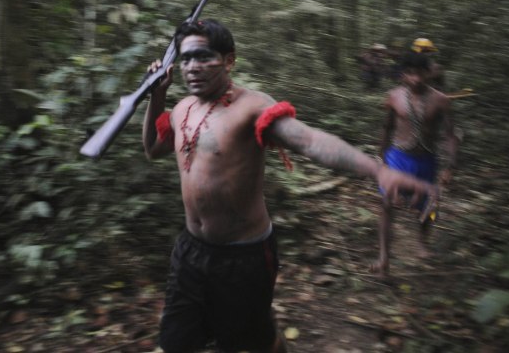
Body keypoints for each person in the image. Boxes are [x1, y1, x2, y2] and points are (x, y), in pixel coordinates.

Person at [142, 19, 435, 353]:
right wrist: (157, 94)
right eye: (185, 59)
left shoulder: (251, 107)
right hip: (191, 251)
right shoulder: (181, 109)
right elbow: (153, 148)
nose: (192, 67)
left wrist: (377, 170)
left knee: (254, 343)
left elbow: (308, 140)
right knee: (176, 342)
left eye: (202, 56)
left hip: (244, 257)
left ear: (229, 60)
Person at [374, 51, 458, 277]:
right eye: (410, 74)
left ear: (429, 73)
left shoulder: (441, 100)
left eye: (420, 73)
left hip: (426, 159)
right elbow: (386, 128)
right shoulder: (393, 96)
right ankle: (384, 256)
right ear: (403, 75)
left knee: (430, 206)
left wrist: (450, 166)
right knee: (386, 204)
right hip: (397, 158)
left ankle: (423, 240)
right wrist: (380, 158)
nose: (416, 79)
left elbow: (450, 135)